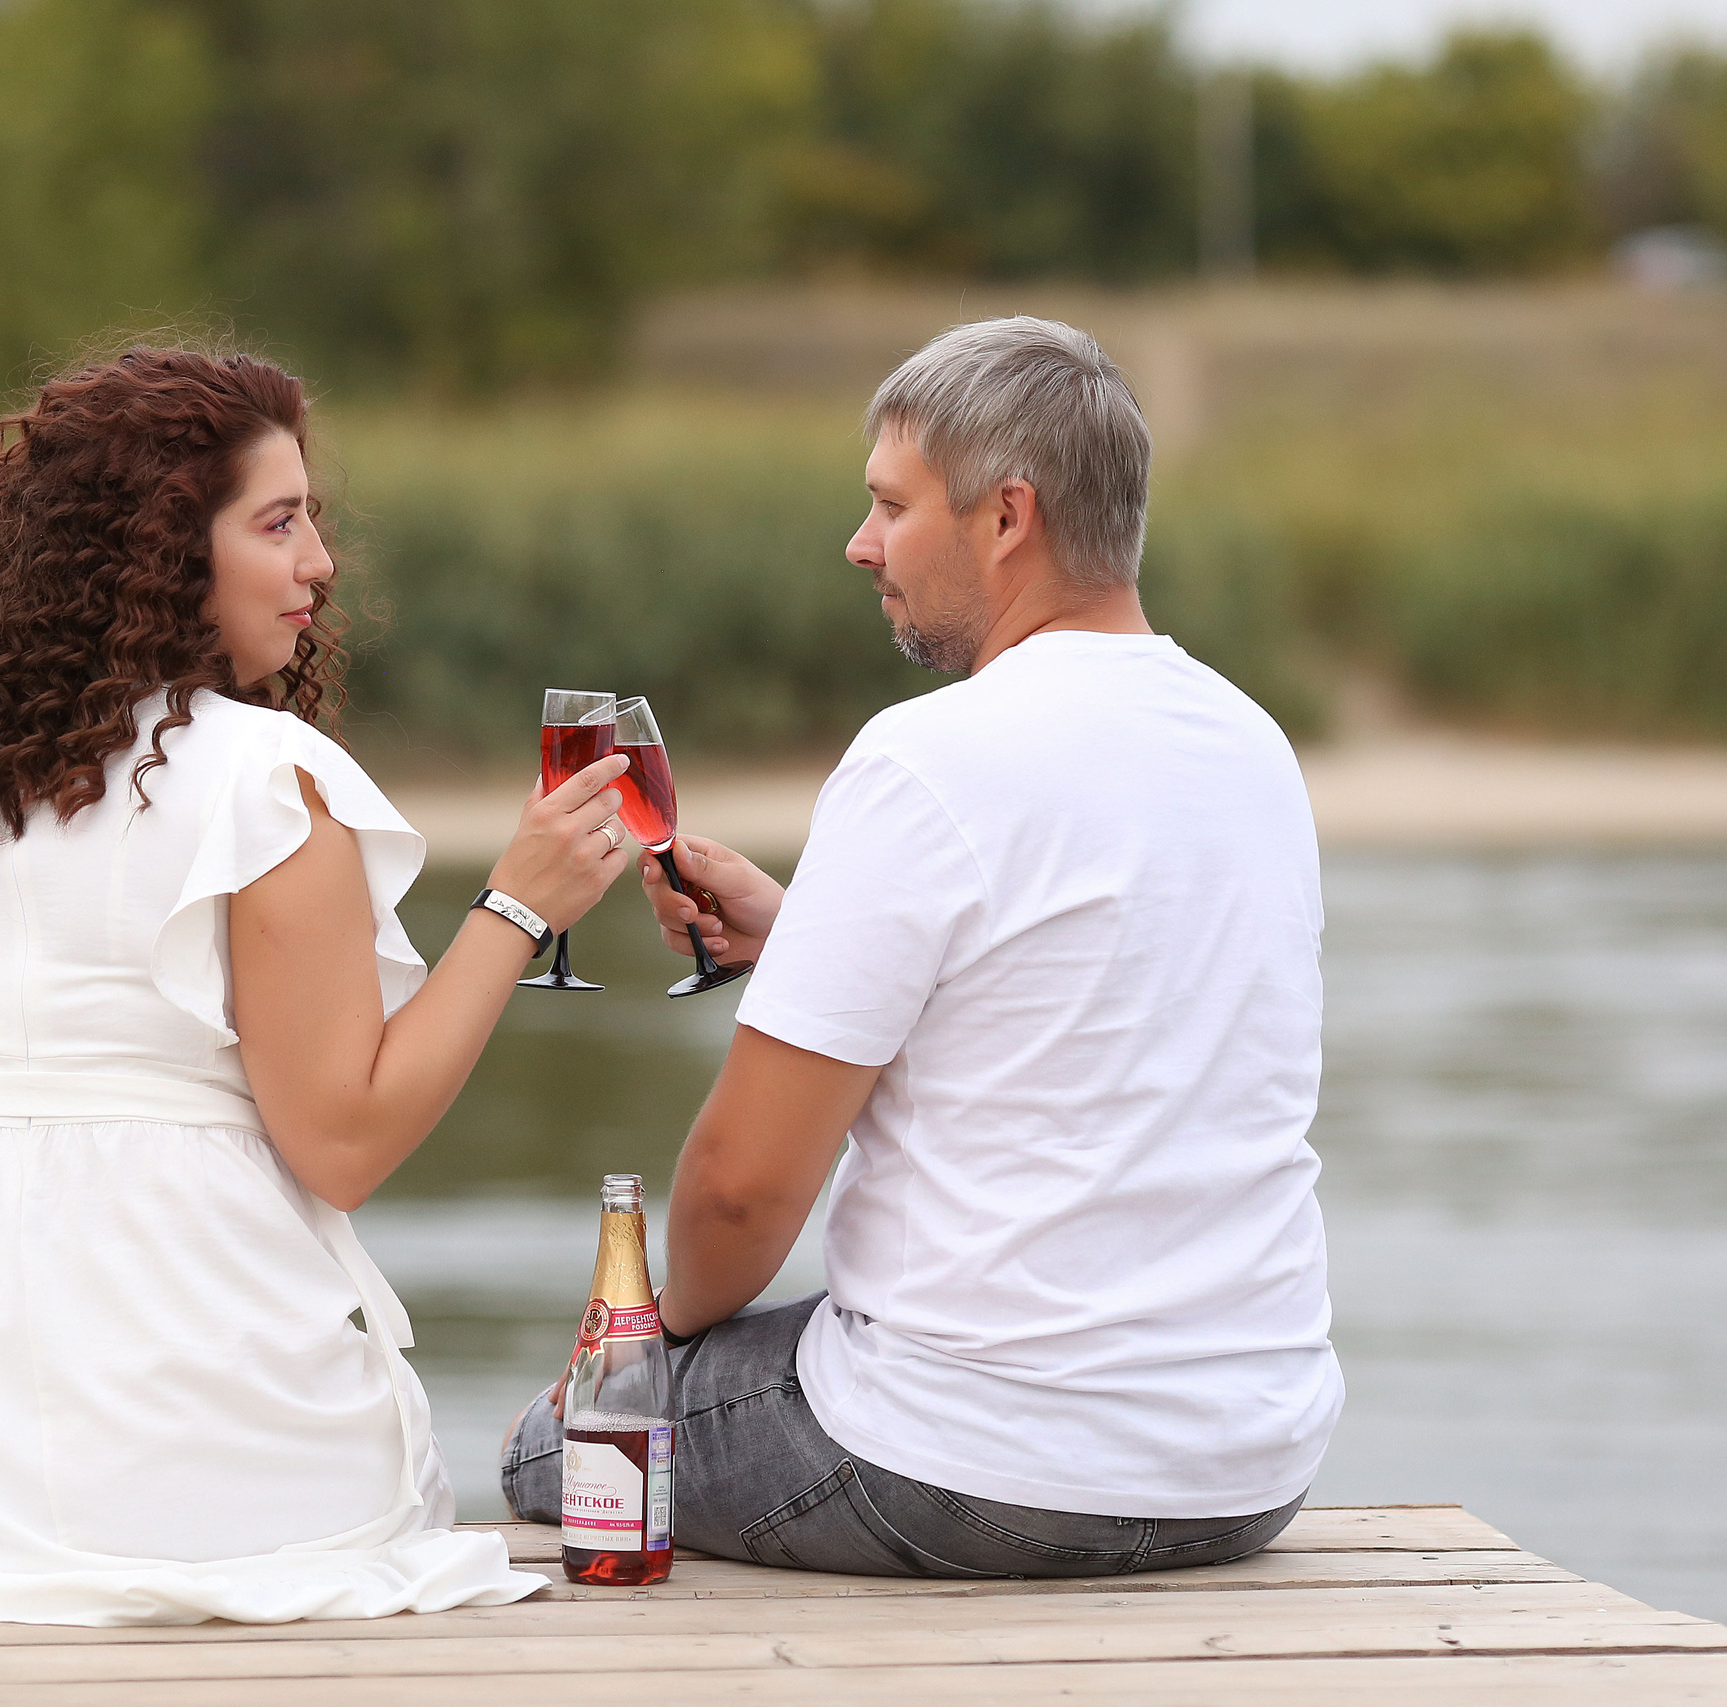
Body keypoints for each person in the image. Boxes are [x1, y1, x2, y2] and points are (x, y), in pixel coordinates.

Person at [0, 345, 635, 1625]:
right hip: (212, 1463)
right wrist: (518, 907)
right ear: (165, 550)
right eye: (279, 523)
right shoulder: (264, 781)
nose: (319, 562)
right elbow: (343, 1144)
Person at [505, 317, 1343, 1577]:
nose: (861, 544)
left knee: (557, 1443)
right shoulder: (1252, 745)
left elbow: (740, 1193)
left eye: (890, 506)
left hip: (967, 1468)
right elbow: (1093, 1005)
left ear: (1006, 517)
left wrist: (651, 1344)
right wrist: (807, 937)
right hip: (1245, 1468)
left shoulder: (926, 758)